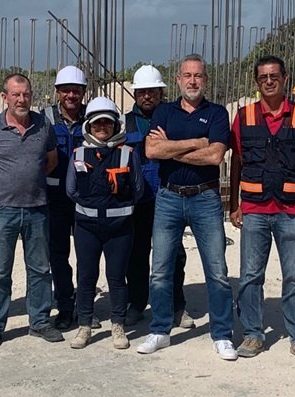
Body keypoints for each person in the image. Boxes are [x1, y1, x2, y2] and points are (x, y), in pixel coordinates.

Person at [135, 55, 237, 361]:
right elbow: (152, 150)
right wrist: (196, 141)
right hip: (168, 197)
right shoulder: (164, 112)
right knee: (161, 270)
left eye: (198, 76)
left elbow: (215, 157)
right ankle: (160, 330)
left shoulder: (217, 113)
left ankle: (222, 334)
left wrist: (172, 150)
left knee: (217, 270)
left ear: (205, 80)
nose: (192, 81)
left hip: (205, 198)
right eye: (187, 75)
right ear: (178, 80)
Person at [229, 55, 295, 364]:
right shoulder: (244, 117)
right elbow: (237, 164)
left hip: (291, 208)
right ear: (256, 83)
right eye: (262, 77)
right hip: (255, 208)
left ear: (284, 78)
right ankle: (253, 334)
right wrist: (233, 204)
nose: (269, 81)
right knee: (250, 276)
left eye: (274, 76)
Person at [0, 73, 62, 348]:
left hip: (37, 209)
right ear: (5, 97)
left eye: (26, 94)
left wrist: (30, 183)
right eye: (16, 94)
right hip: (2, 211)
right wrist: (2, 185)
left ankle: (40, 322)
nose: (22, 99)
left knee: (39, 269)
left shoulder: (43, 125)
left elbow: (51, 160)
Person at [65, 96, 145, 351]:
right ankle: (84, 326)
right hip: (87, 227)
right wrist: (92, 207)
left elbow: (138, 189)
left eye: (107, 123)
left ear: (115, 126)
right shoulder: (79, 153)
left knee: (117, 277)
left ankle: (118, 325)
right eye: (97, 123)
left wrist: (117, 209)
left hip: (119, 229)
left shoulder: (127, 154)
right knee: (86, 277)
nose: (102, 127)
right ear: (89, 125)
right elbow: (71, 189)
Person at [123, 64, 190, 328]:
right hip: (137, 199)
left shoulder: (174, 118)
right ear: (135, 95)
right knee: (137, 253)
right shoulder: (124, 122)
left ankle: (176, 306)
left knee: (174, 254)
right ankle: (136, 303)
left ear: (162, 93)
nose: (147, 96)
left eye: (153, 91)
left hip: (167, 195)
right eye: (142, 92)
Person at [45, 65, 87, 328]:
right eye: (66, 90)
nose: (71, 95)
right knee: (57, 255)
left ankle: (84, 307)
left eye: (76, 90)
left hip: (85, 197)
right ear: (57, 92)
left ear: (84, 92)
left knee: (86, 254)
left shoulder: (96, 117)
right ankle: (64, 305)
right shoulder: (44, 119)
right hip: (54, 198)